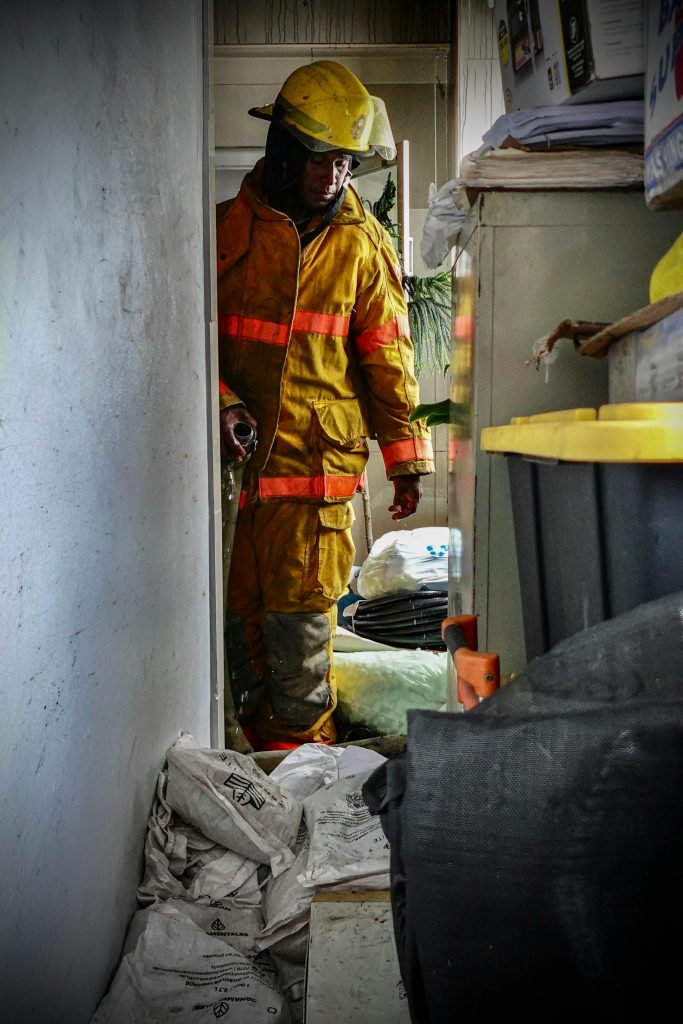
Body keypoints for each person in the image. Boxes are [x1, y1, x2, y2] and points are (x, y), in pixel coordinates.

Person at [217, 60, 434, 750]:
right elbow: (180, 341)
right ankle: (257, 767)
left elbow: (387, 360)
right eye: (319, 160)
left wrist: (405, 460)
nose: (333, 177)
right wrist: (220, 401)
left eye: (344, 163)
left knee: (300, 639)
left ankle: (307, 774)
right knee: (236, 634)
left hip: (313, 486)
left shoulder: (363, 246)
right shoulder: (224, 231)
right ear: (282, 149)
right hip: (227, 484)